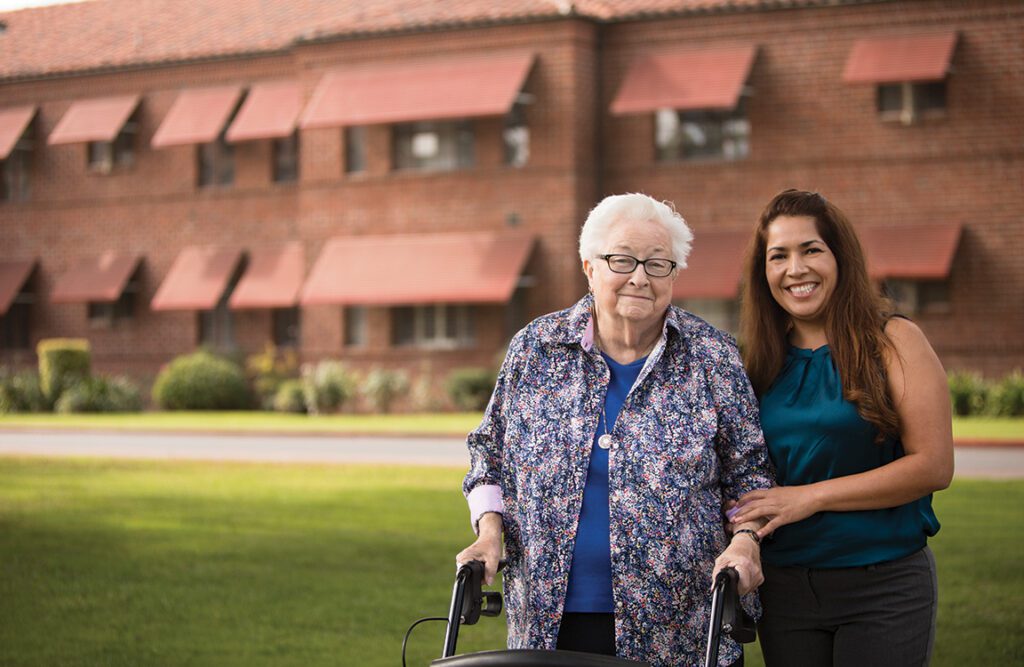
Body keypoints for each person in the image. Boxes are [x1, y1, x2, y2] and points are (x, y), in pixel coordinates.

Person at [456, 193, 774, 666]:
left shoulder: (713, 357)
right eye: (622, 260)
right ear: (589, 267)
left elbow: (750, 475)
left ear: (674, 274)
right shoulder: (536, 349)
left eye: (658, 264)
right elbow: (489, 454)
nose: (640, 277)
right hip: (548, 616)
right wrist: (489, 532)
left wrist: (746, 542)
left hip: (680, 625)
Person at [729, 189, 955, 666]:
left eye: (811, 249)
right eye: (779, 256)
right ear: (763, 272)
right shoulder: (758, 363)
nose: (796, 269)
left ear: (840, 257)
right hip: (785, 588)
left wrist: (809, 496)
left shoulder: (894, 340)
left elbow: (933, 466)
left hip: (883, 585)